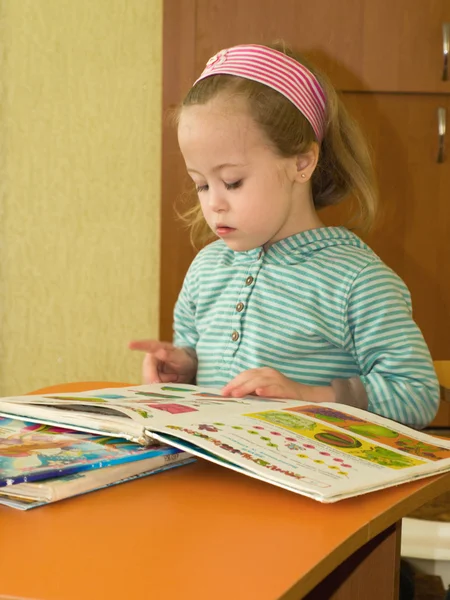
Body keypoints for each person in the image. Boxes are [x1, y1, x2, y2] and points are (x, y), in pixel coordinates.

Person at [130, 42, 439, 428]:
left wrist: (311, 397)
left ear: (302, 162)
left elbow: (416, 393)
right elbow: (199, 357)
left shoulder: (356, 280)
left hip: (313, 480)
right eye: (201, 185)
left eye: (232, 181)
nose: (214, 204)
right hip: (218, 474)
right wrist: (183, 367)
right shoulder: (207, 268)